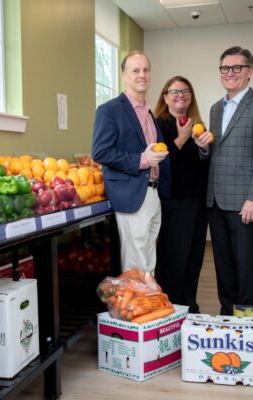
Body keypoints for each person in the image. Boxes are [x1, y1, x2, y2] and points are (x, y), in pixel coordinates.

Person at [194, 46, 253, 315]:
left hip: (244, 202)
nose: (230, 73)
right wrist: (203, 148)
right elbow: (215, 150)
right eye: (225, 68)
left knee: (244, 264)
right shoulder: (216, 108)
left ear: (249, 71)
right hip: (215, 200)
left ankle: (246, 317)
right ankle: (227, 314)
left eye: (237, 68)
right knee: (223, 263)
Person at [92, 50, 170, 273]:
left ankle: (146, 306)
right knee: (136, 263)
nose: (142, 75)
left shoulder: (148, 112)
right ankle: (135, 307)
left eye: (145, 70)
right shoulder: (109, 110)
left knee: (148, 261)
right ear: (124, 76)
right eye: (135, 70)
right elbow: (100, 152)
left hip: (153, 194)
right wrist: (142, 160)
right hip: (132, 194)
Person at [153, 76, 209, 313]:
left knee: (194, 258)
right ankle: (173, 310)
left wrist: (204, 148)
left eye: (186, 91)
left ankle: (190, 305)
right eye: (174, 92)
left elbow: (205, 164)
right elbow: (161, 166)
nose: (180, 95)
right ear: (165, 97)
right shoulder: (158, 125)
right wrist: (182, 138)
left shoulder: (199, 126)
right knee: (174, 259)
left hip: (198, 201)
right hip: (174, 202)